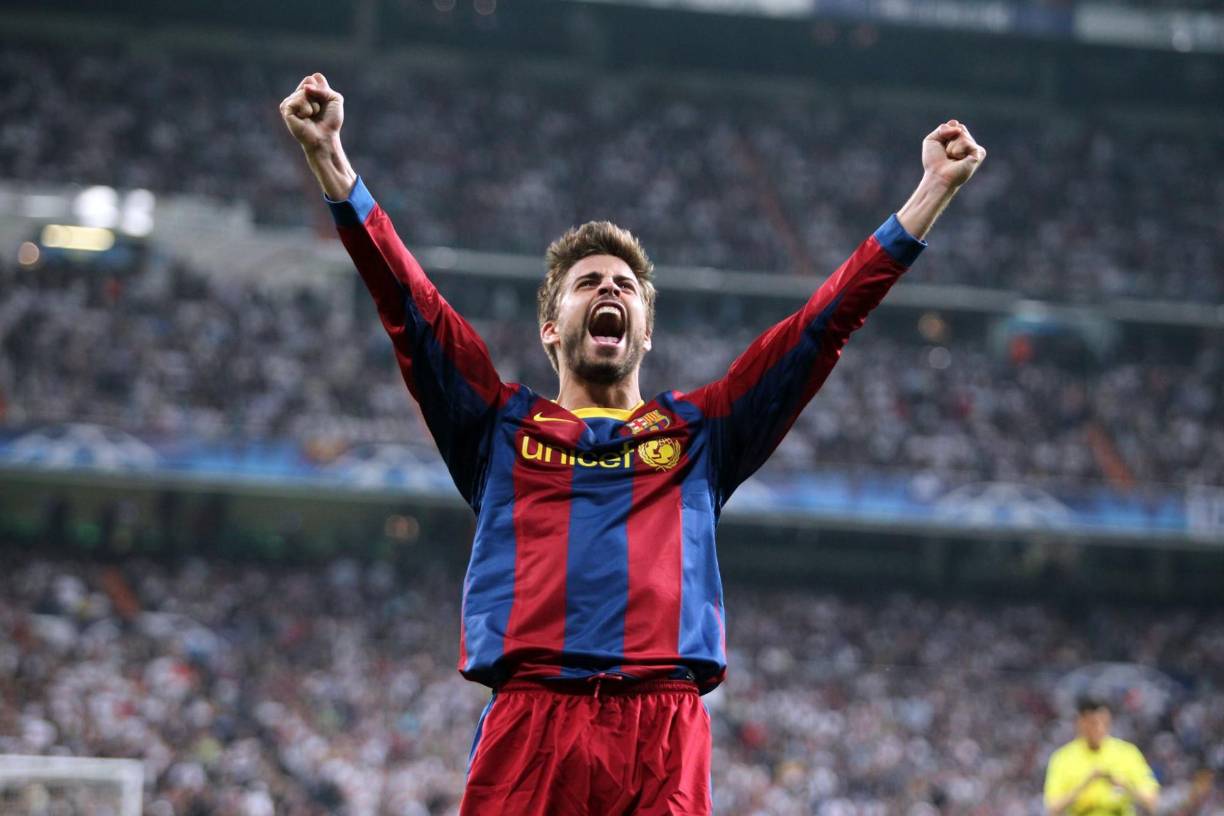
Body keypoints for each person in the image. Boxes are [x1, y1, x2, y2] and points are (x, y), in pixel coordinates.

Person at [280, 71, 986, 815]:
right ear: (552, 327)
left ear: (645, 329)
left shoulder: (702, 433)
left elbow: (821, 326)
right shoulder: (495, 427)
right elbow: (409, 305)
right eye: (587, 283)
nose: (609, 290)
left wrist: (929, 194)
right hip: (531, 724)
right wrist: (332, 162)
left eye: (624, 285)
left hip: (663, 730)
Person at [1044, 696, 1161, 816]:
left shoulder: (1127, 753)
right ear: (1081, 722)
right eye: (1093, 723)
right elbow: (1052, 808)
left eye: (1105, 722)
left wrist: (1125, 785)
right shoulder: (1063, 758)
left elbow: (1152, 802)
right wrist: (1084, 785)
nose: (1100, 728)